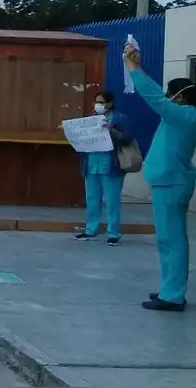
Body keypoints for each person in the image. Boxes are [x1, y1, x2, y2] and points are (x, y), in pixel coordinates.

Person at [124, 43, 196, 312]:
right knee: (170, 239)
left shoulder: (185, 115)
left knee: (172, 240)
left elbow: (153, 97)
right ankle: (170, 289)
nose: (166, 97)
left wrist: (135, 68)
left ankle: (174, 294)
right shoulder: (183, 115)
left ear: (178, 97)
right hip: (172, 180)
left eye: (170, 94)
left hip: (171, 182)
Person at [74, 91, 133, 245]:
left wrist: (112, 130)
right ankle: (90, 230)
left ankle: (113, 233)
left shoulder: (120, 119)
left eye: (101, 102)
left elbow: (127, 138)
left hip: (110, 165)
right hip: (92, 164)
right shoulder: (90, 119)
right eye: (96, 102)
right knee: (92, 199)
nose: (98, 105)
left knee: (111, 201)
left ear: (110, 103)